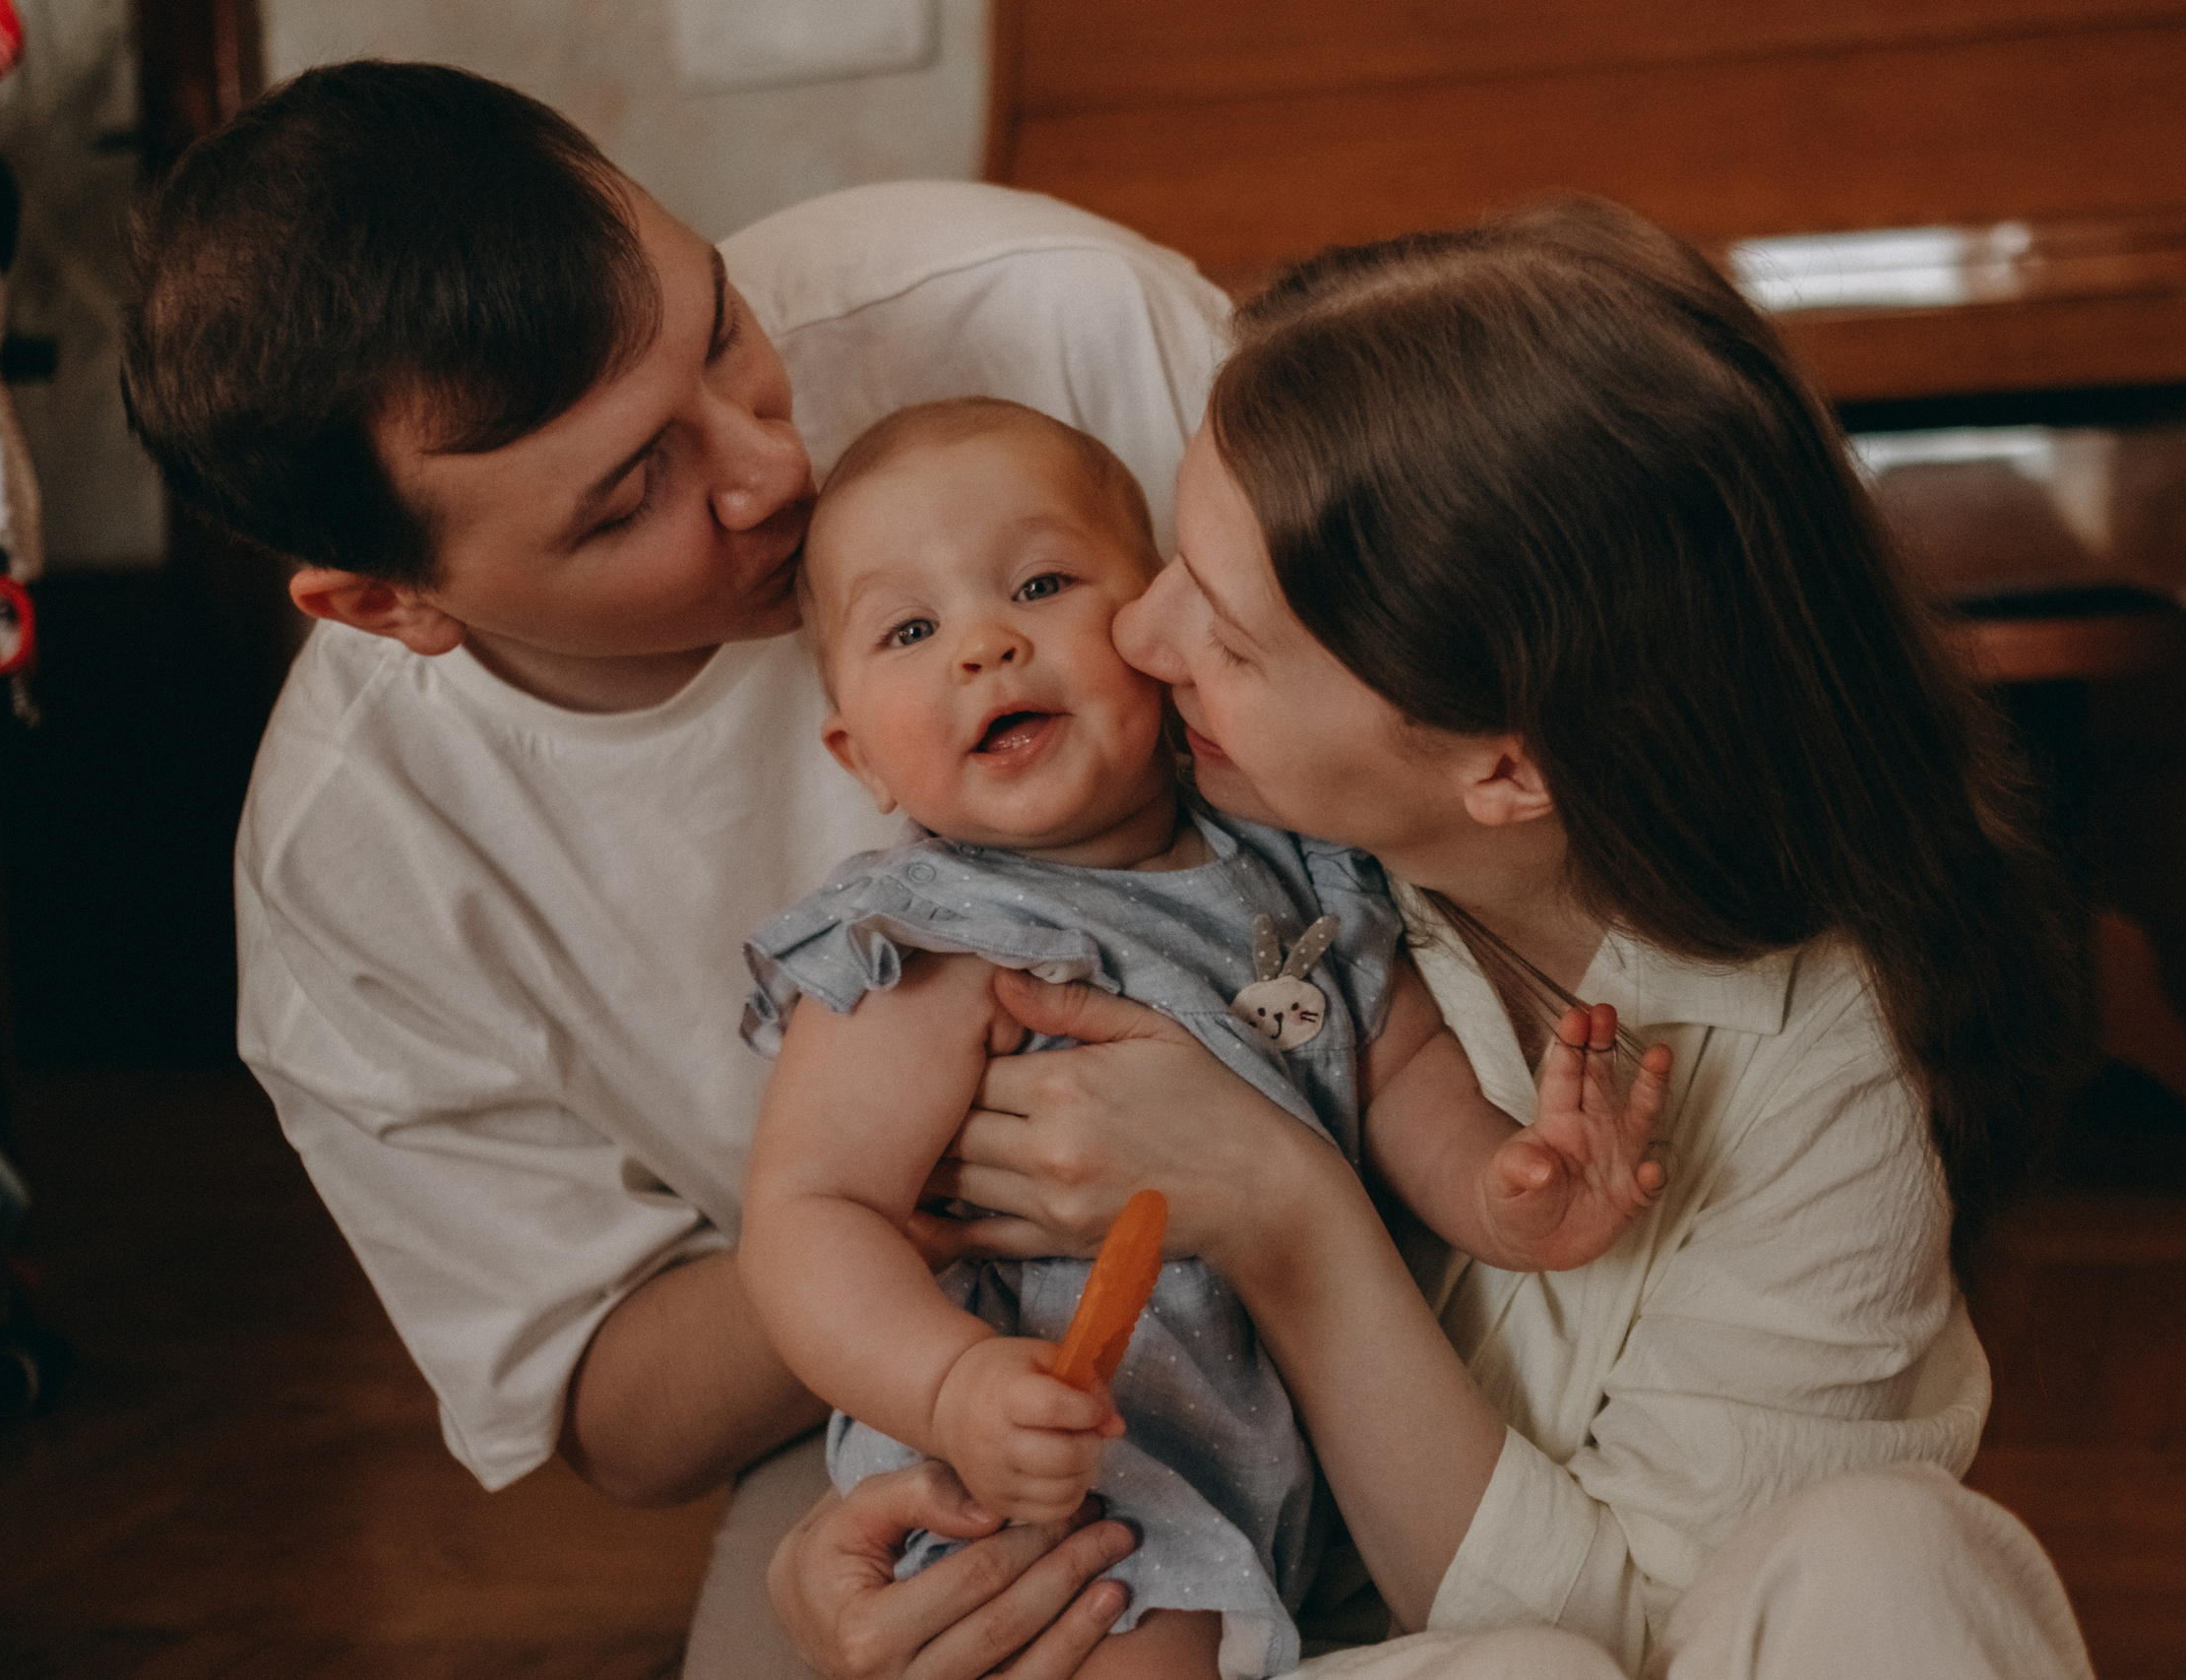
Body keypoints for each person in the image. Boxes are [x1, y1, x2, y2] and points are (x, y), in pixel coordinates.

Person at [766, 200, 2099, 1679]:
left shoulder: (1806, 1081)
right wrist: (898, 1464)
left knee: (1894, 1555)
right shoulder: (1046, 907)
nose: (1138, 639)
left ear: (1507, 771)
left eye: (1226, 627)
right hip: (1168, 1570)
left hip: (1509, 1623)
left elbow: (1664, 1638)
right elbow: (819, 1221)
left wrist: (1286, 1211)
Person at [119, 61, 1226, 1675]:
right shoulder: (358, 866)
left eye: (719, 330)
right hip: (928, 1391)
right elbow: (614, 1412)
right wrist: (868, 1196)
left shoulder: (1037, 317)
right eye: (631, 494)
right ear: (389, 607)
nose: (771, 470)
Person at [737, 399, 1671, 1679]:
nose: (986, 646)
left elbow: (1395, 1068)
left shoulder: (1302, 869)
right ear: (862, 759)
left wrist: (1505, 1191)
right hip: (1053, 1476)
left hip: (1285, 1478)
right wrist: (954, 1390)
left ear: (1159, 630)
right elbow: (809, 1211)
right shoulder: (934, 936)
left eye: (1042, 583)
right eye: (911, 629)